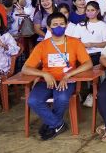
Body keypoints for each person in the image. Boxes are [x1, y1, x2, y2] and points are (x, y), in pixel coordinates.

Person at [22, 12, 93, 140]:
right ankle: (57, 124)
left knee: (61, 98)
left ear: (66, 25)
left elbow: (88, 63)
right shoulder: (42, 45)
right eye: (55, 25)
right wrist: (43, 73)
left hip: (67, 80)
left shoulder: (75, 43)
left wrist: (68, 74)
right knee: (33, 100)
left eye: (61, 24)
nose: (59, 26)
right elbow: (25, 68)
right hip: (46, 81)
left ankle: (52, 124)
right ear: (48, 28)